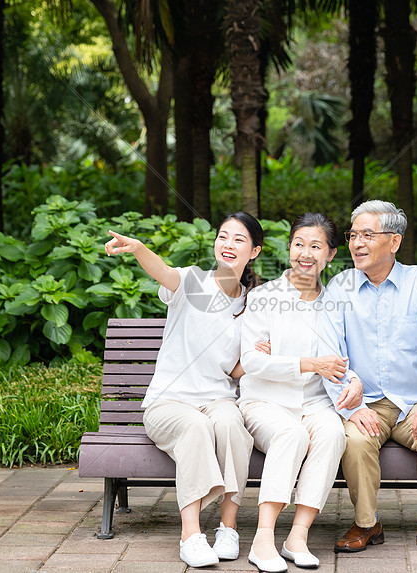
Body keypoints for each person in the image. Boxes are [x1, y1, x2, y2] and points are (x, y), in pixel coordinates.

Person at [104, 212, 263, 568]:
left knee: (232, 426)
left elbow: (235, 369)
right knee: (196, 427)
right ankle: (190, 534)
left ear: (254, 251)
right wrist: (138, 248)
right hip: (169, 404)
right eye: (223, 236)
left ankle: (228, 527)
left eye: (239, 239)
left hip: (218, 399)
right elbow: (163, 271)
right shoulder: (193, 281)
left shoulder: (251, 304)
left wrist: (259, 356)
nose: (228, 244)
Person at [319, 200, 417, 555]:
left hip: (413, 405)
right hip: (365, 403)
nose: (357, 243)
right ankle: (367, 523)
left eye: (367, 235)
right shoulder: (340, 286)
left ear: (394, 242)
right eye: (352, 235)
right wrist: (350, 407)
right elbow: (330, 355)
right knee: (356, 442)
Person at [237, 213, 363, 572]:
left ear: (330, 255)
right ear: (289, 247)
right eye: (298, 244)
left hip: (315, 402)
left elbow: (339, 357)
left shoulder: (335, 302)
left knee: (332, 433)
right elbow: (253, 362)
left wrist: (353, 379)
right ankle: (263, 539)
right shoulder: (264, 297)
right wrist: (310, 363)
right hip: (264, 401)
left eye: (315, 246)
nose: (305, 253)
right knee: (290, 434)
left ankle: (297, 536)